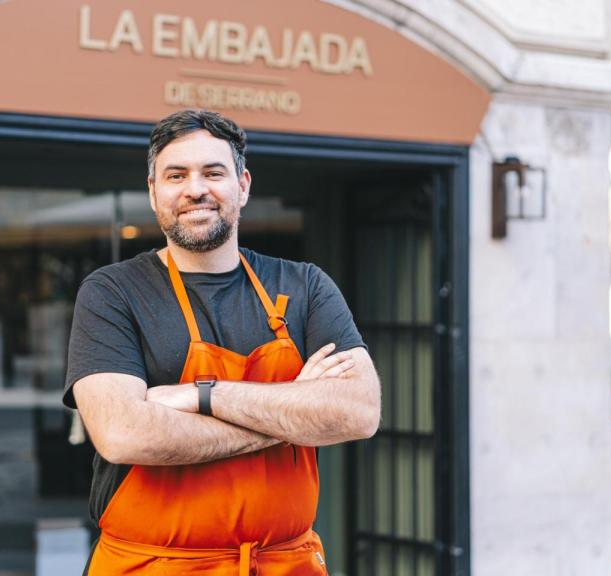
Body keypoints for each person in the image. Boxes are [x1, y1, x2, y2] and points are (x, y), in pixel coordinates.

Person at [63, 109, 381, 575]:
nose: (196, 189)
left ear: (243, 185)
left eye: (214, 172)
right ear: (154, 192)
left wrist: (201, 396)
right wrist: (294, 415)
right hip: (154, 566)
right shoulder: (112, 292)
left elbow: (359, 412)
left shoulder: (306, 285)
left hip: (285, 564)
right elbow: (123, 434)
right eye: (177, 175)